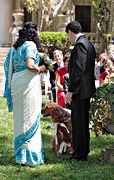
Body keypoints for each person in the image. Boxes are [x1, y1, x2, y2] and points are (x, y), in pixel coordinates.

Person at [4, 22, 45, 167]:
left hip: (16, 83)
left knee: (20, 119)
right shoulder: (30, 45)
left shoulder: (15, 48)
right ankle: (30, 157)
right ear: (34, 32)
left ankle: (20, 156)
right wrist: (40, 68)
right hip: (28, 84)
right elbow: (30, 65)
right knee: (31, 117)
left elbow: (8, 66)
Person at [65, 21, 96, 163]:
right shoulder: (88, 43)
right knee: (82, 123)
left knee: (78, 124)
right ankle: (83, 152)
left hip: (80, 91)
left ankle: (79, 155)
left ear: (71, 32)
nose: (69, 38)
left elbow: (78, 70)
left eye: (68, 35)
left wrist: (71, 91)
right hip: (85, 90)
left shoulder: (80, 44)